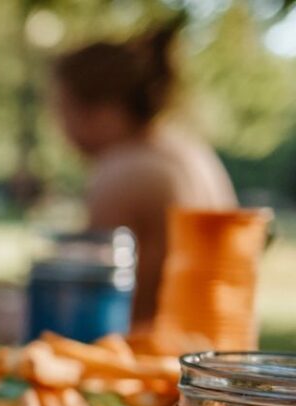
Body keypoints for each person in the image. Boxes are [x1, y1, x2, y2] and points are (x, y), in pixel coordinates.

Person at [53, 23, 237, 326]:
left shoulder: (122, 173)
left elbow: (95, 315)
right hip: (210, 360)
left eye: (61, 109)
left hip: (148, 363)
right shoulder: (193, 153)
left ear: (98, 109)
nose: (60, 128)